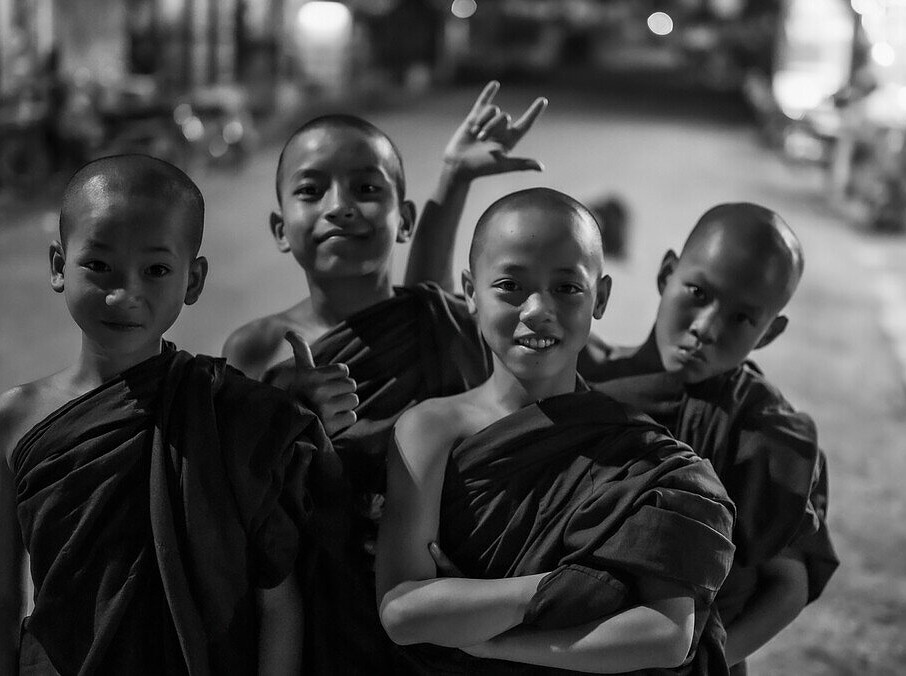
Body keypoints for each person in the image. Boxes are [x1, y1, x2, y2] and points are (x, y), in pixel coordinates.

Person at [221, 82, 548, 673]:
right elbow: (235, 494)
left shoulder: (437, 322)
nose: (340, 205)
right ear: (279, 227)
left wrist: (453, 177)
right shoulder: (258, 346)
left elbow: (431, 295)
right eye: (311, 189)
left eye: (367, 188)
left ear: (404, 220)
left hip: (434, 590)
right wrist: (284, 417)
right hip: (311, 599)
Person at [0, 155, 343, 675]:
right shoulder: (13, 420)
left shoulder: (232, 417)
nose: (125, 294)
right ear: (59, 265)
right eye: (98, 266)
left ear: (193, 281)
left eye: (157, 270)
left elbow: (277, 602)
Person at [376, 188, 737, 674]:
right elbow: (401, 611)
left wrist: (489, 641)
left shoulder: (641, 455)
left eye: (567, 288)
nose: (536, 310)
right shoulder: (431, 429)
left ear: (601, 297)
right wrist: (578, 590)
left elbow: (667, 634)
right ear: (469, 291)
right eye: (509, 285)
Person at [577, 203, 839, 673]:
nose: (706, 327)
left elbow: (788, 585)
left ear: (769, 333)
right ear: (666, 274)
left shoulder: (760, 428)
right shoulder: (581, 374)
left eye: (742, 318)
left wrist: (706, 662)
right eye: (697, 292)